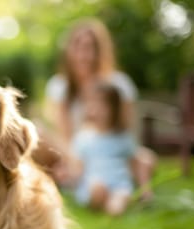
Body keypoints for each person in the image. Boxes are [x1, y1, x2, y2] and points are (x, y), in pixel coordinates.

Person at [44, 18, 154, 199]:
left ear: (100, 51)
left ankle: (120, 184)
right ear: (69, 51)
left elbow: (127, 130)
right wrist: (76, 159)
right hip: (74, 151)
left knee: (147, 159)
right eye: (77, 47)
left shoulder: (119, 84)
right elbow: (64, 136)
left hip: (110, 148)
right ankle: (79, 178)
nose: (82, 55)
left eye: (89, 47)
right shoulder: (59, 86)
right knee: (39, 132)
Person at [71, 82, 135, 216]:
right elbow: (78, 168)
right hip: (94, 183)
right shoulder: (84, 137)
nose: (97, 110)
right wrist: (69, 177)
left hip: (118, 183)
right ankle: (103, 203)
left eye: (103, 105)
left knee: (119, 201)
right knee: (97, 190)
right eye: (93, 104)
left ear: (114, 109)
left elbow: (132, 162)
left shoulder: (123, 137)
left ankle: (113, 206)